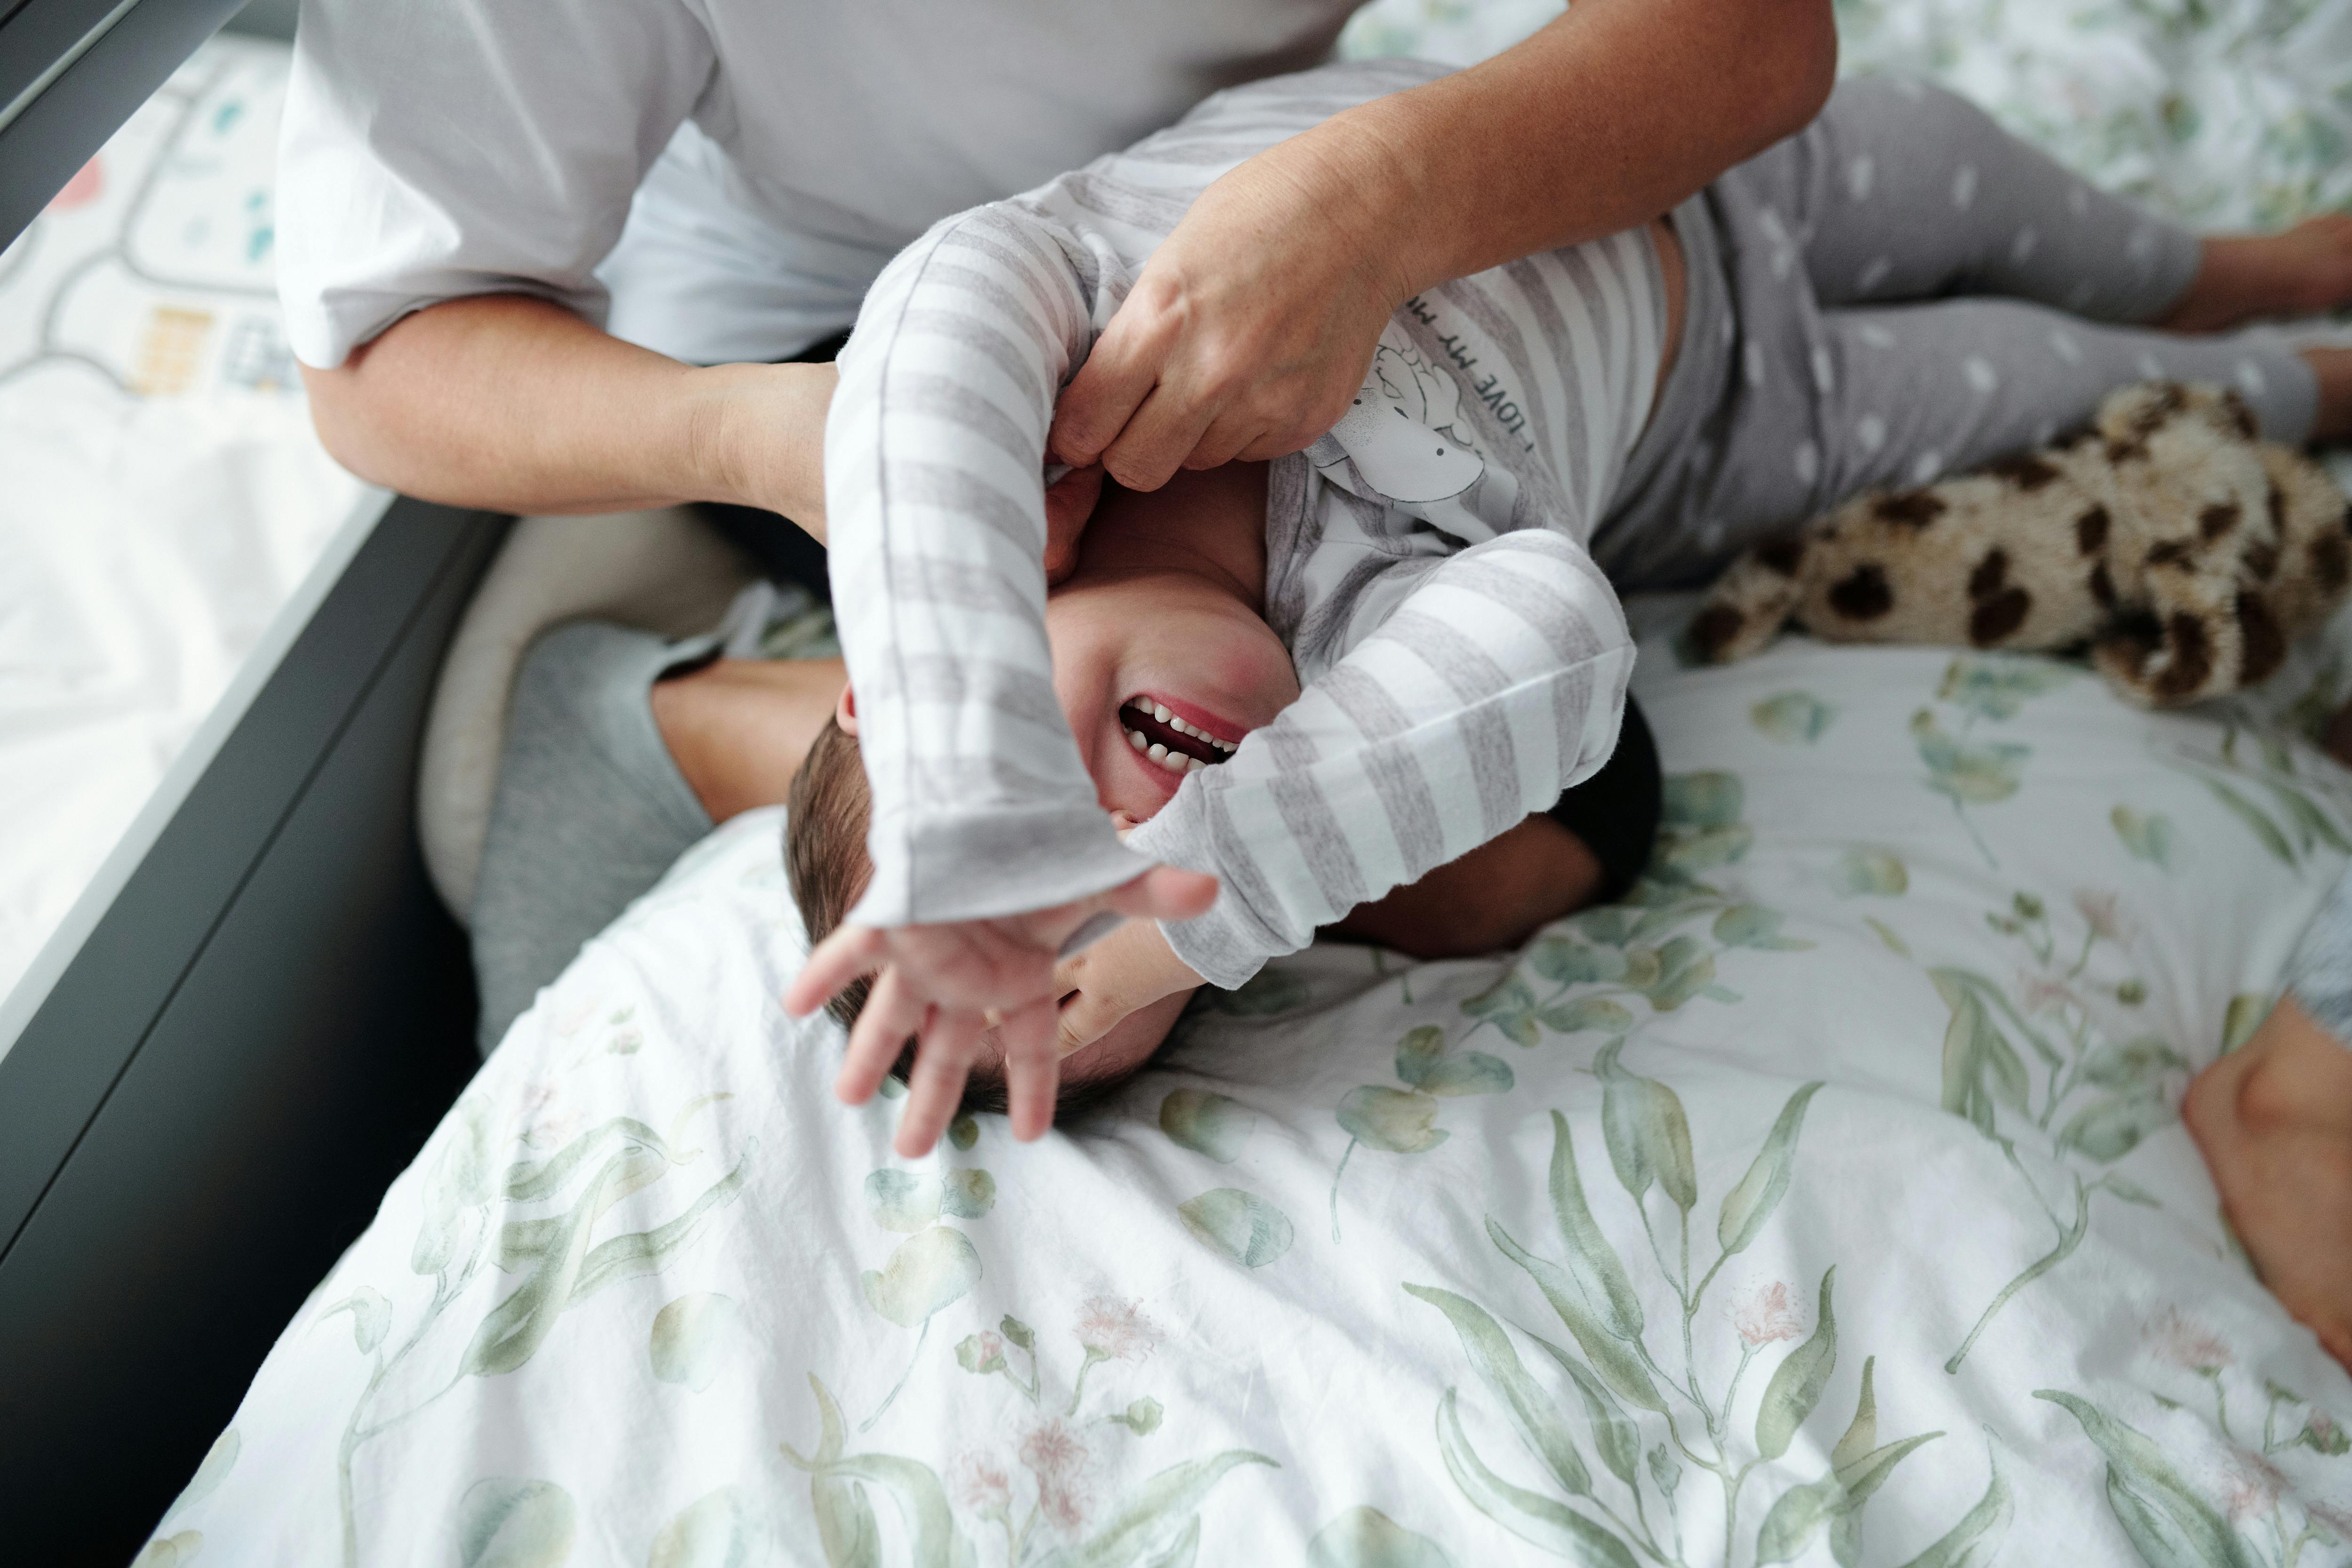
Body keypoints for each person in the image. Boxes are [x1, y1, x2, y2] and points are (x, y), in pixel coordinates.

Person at [781, 56, 2352, 1157]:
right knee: (2099, 400)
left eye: (1038, 831)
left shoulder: (1049, 363)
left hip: (1693, 162)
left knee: (2013, 202)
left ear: (883, 676)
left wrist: (968, 706)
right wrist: (1223, 902)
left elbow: (942, 304)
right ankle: (2299, 373)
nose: (1137, 841)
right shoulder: (1364, 656)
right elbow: (1559, 633)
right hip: (1730, 418)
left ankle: (2222, 267)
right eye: (1126, 928)